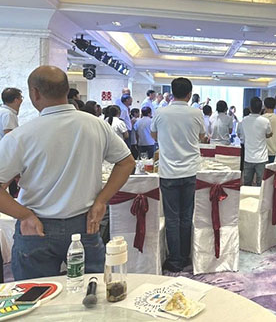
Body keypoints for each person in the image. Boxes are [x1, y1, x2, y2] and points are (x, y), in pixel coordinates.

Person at [0, 66, 134, 280]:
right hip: (86, 222)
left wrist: (24, 215)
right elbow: (126, 163)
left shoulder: (21, 136)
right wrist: (102, 200)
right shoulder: (96, 125)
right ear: (66, 89)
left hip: (37, 226)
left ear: (35, 93)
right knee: (92, 291)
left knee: (37, 294)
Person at [151, 77, 206, 272]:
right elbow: (201, 136)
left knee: (172, 217)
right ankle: (185, 256)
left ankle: (174, 260)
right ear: (189, 94)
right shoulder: (196, 113)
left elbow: (154, 135)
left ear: (172, 93)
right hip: (191, 171)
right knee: (186, 215)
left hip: (168, 172)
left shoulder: (160, 112)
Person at [240, 97, 272, 186]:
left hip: (248, 157)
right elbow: (269, 133)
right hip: (262, 158)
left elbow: (242, 135)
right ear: (261, 108)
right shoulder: (265, 121)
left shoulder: (244, 120)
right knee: (261, 185)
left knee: (247, 184)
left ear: (250, 108)